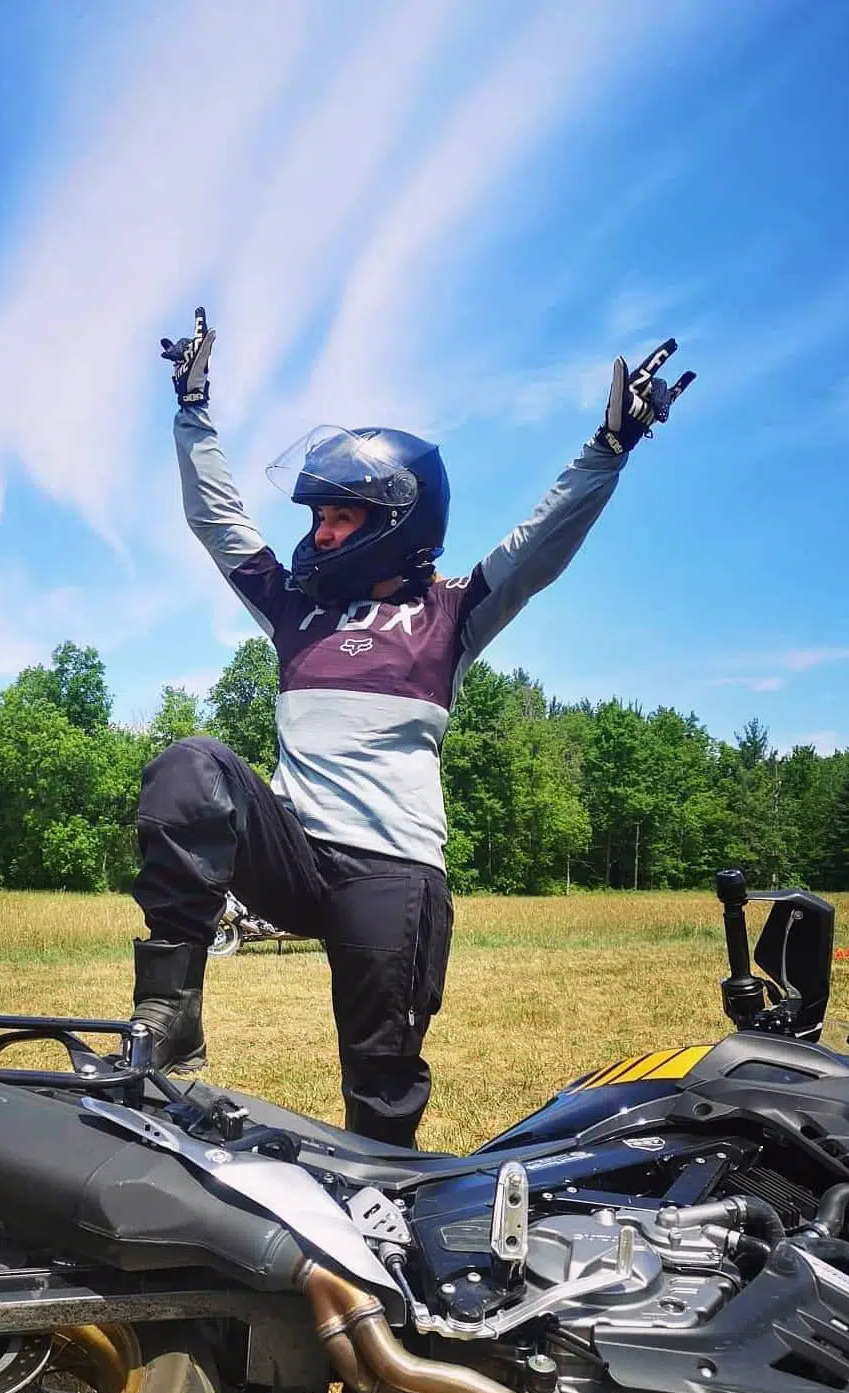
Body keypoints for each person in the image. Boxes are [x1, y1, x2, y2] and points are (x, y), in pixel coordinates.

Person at [131, 309, 692, 1146]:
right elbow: (219, 522)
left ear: (396, 519)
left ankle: (388, 1218)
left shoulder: (453, 612)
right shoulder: (295, 610)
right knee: (191, 763)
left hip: (390, 875)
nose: (317, 534)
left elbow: (538, 544)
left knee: (380, 1083)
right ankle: (168, 1015)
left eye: (337, 519)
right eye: (316, 517)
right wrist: (192, 413)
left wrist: (608, 450)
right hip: (291, 853)